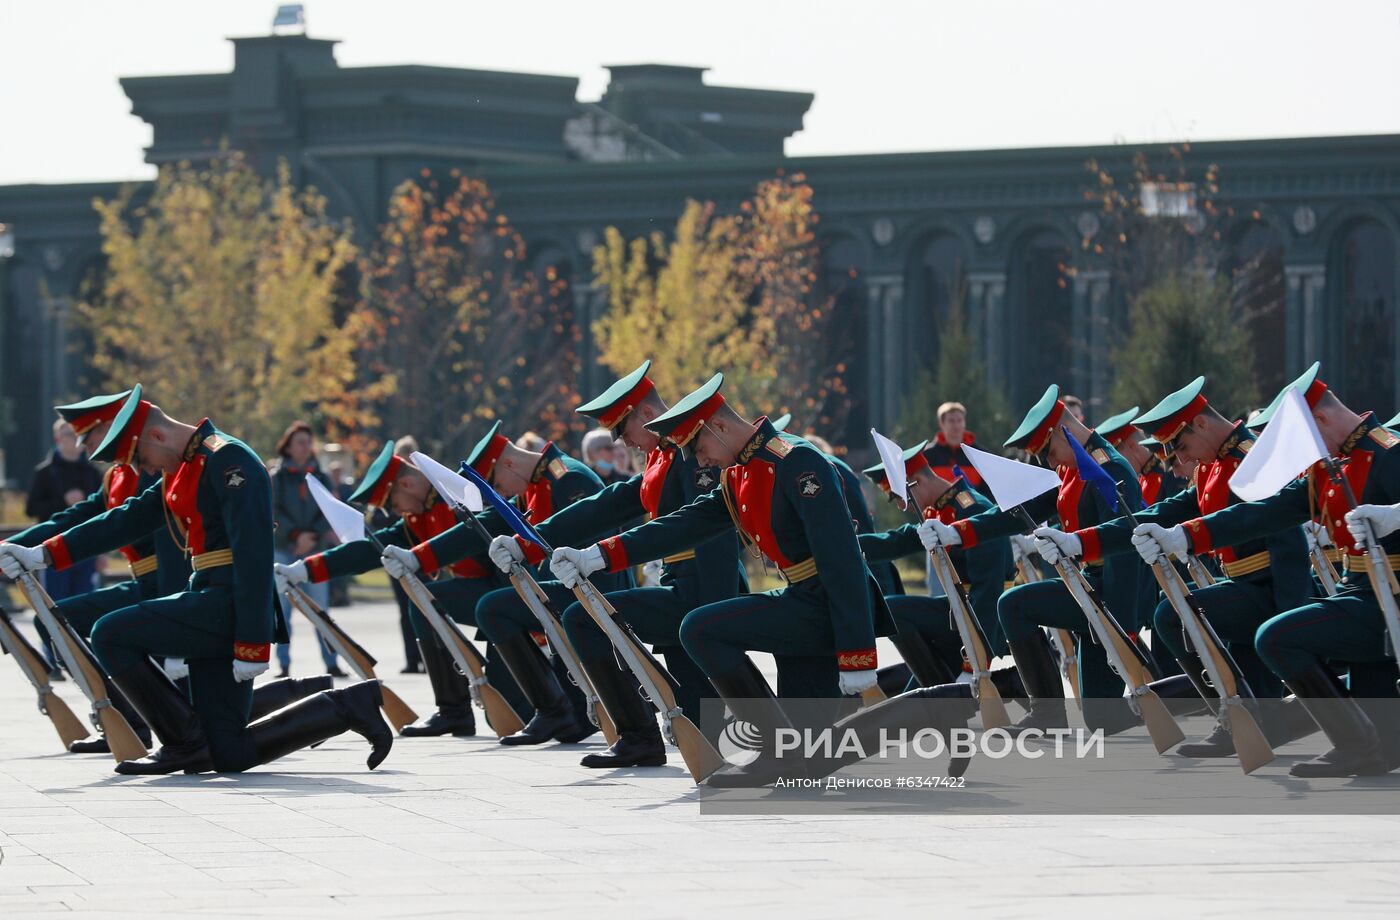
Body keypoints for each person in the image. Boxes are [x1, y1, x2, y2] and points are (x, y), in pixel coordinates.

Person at [0, 385, 391, 774]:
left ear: (156, 435)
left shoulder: (228, 461)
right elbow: (125, 519)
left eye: (141, 459)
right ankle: (346, 707)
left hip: (227, 604)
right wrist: (42, 555)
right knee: (228, 753)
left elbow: (253, 557)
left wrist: (252, 642)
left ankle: (182, 743)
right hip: (207, 595)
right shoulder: (182, 466)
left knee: (108, 633)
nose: (144, 471)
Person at [550, 374, 896, 787]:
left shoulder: (796, 461)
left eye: (700, 447)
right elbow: (683, 525)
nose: (701, 462)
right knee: (808, 756)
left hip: (823, 606)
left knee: (700, 627)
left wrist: (857, 653)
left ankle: (775, 750)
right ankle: (782, 754)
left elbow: (842, 561)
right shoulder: (739, 473)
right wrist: (599, 555)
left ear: (720, 427)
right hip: (801, 600)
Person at [1136, 364, 1400, 776]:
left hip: (1390, 597)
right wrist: (1183, 537)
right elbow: (1259, 513)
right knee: (1386, 736)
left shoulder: (1390, 452)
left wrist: (1396, 515)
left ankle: (1353, 745)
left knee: (1277, 637)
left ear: (1321, 420)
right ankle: (1356, 743)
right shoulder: (1329, 465)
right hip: (1360, 592)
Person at [1035, 377, 1313, 757]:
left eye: (1182, 447)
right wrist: (1080, 542)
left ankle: (1243, 714)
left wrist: (1289, 613)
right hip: (1240, 586)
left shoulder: (1248, 457)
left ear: (1200, 424)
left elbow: (1288, 540)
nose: (1181, 462)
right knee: (1186, 622)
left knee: (1175, 615)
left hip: (1270, 591)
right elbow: (1160, 513)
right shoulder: (1211, 466)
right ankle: (1243, 718)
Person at [485, 361, 744, 767]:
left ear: (646, 414)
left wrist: (710, 603)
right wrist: (527, 544)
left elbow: (705, 532)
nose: (622, 442)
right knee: (698, 704)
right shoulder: (664, 455)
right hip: (683, 585)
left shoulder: (691, 452)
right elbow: (605, 506)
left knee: (584, 620)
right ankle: (663, 740)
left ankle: (639, 735)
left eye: (623, 429)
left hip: (703, 590)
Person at [380, 421, 632, 746]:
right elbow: (484, 523)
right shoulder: (536, 482)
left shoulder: (567, 478)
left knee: (494, 607)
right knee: (502, 612)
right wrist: (419, 558)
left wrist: (525, 549)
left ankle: (555, 709)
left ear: (509, 463)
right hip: (564, 592)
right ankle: (565, 713)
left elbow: (578, 538)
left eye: (497, 483)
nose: (501, 493)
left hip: (595, 591)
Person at [921, 384, 1152, 734]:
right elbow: (1019, 511)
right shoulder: (1074, 467)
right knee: (1016, 606)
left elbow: (1124, 550)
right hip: (1087, 590)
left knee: (1102, 719)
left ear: (1063, 431)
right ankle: (1048, 713)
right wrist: (960, 532)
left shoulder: (1109, 468)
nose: (1049, 462)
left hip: (1111, 597)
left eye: (1049, 451)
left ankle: (1172, 702)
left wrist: (1124, 630)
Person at [277, 439, 521, 735]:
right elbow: (371, 549)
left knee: (518, 712)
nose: (398, 512)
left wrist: (418, 558)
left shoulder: (456, 495)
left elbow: (466, 538)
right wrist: (304, 570)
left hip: (513, 596)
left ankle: (463, 708)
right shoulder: (420, 513)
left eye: (393, 504)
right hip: (489, 601)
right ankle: (452, 710)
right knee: (424, 604)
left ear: (405, 484)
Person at [25, 419, 103, 674]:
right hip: (52, 553)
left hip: (86, 551)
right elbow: (31, 509)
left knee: (84, 602)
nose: (74, 440)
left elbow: (105, 516)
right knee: (54, 604)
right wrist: (63, 501)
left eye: (78, 435)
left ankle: (80, 658)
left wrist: (101, 551)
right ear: (59, 439)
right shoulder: (45, 472)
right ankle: (54, 656)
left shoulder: (93, 472)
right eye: (68, 435)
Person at [270, 421, 343, 678]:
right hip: (284, 548)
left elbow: (330, 507)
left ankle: (332, 663)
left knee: (321, 609)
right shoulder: (276, 478)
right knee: (282, 610)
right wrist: (294, 534)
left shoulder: (319, 476)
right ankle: (284, 665)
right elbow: (272, 510)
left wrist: (311, 535)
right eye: (300, 442)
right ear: (288, 447)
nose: (305, 447)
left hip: (315, 548)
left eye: (308, 442)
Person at [925, 401, 984, 492]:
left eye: (959, 420)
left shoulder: (979, 454)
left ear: (964, 422)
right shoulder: (927, 456)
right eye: (951, 421)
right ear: (941, 423)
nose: (956, 426)